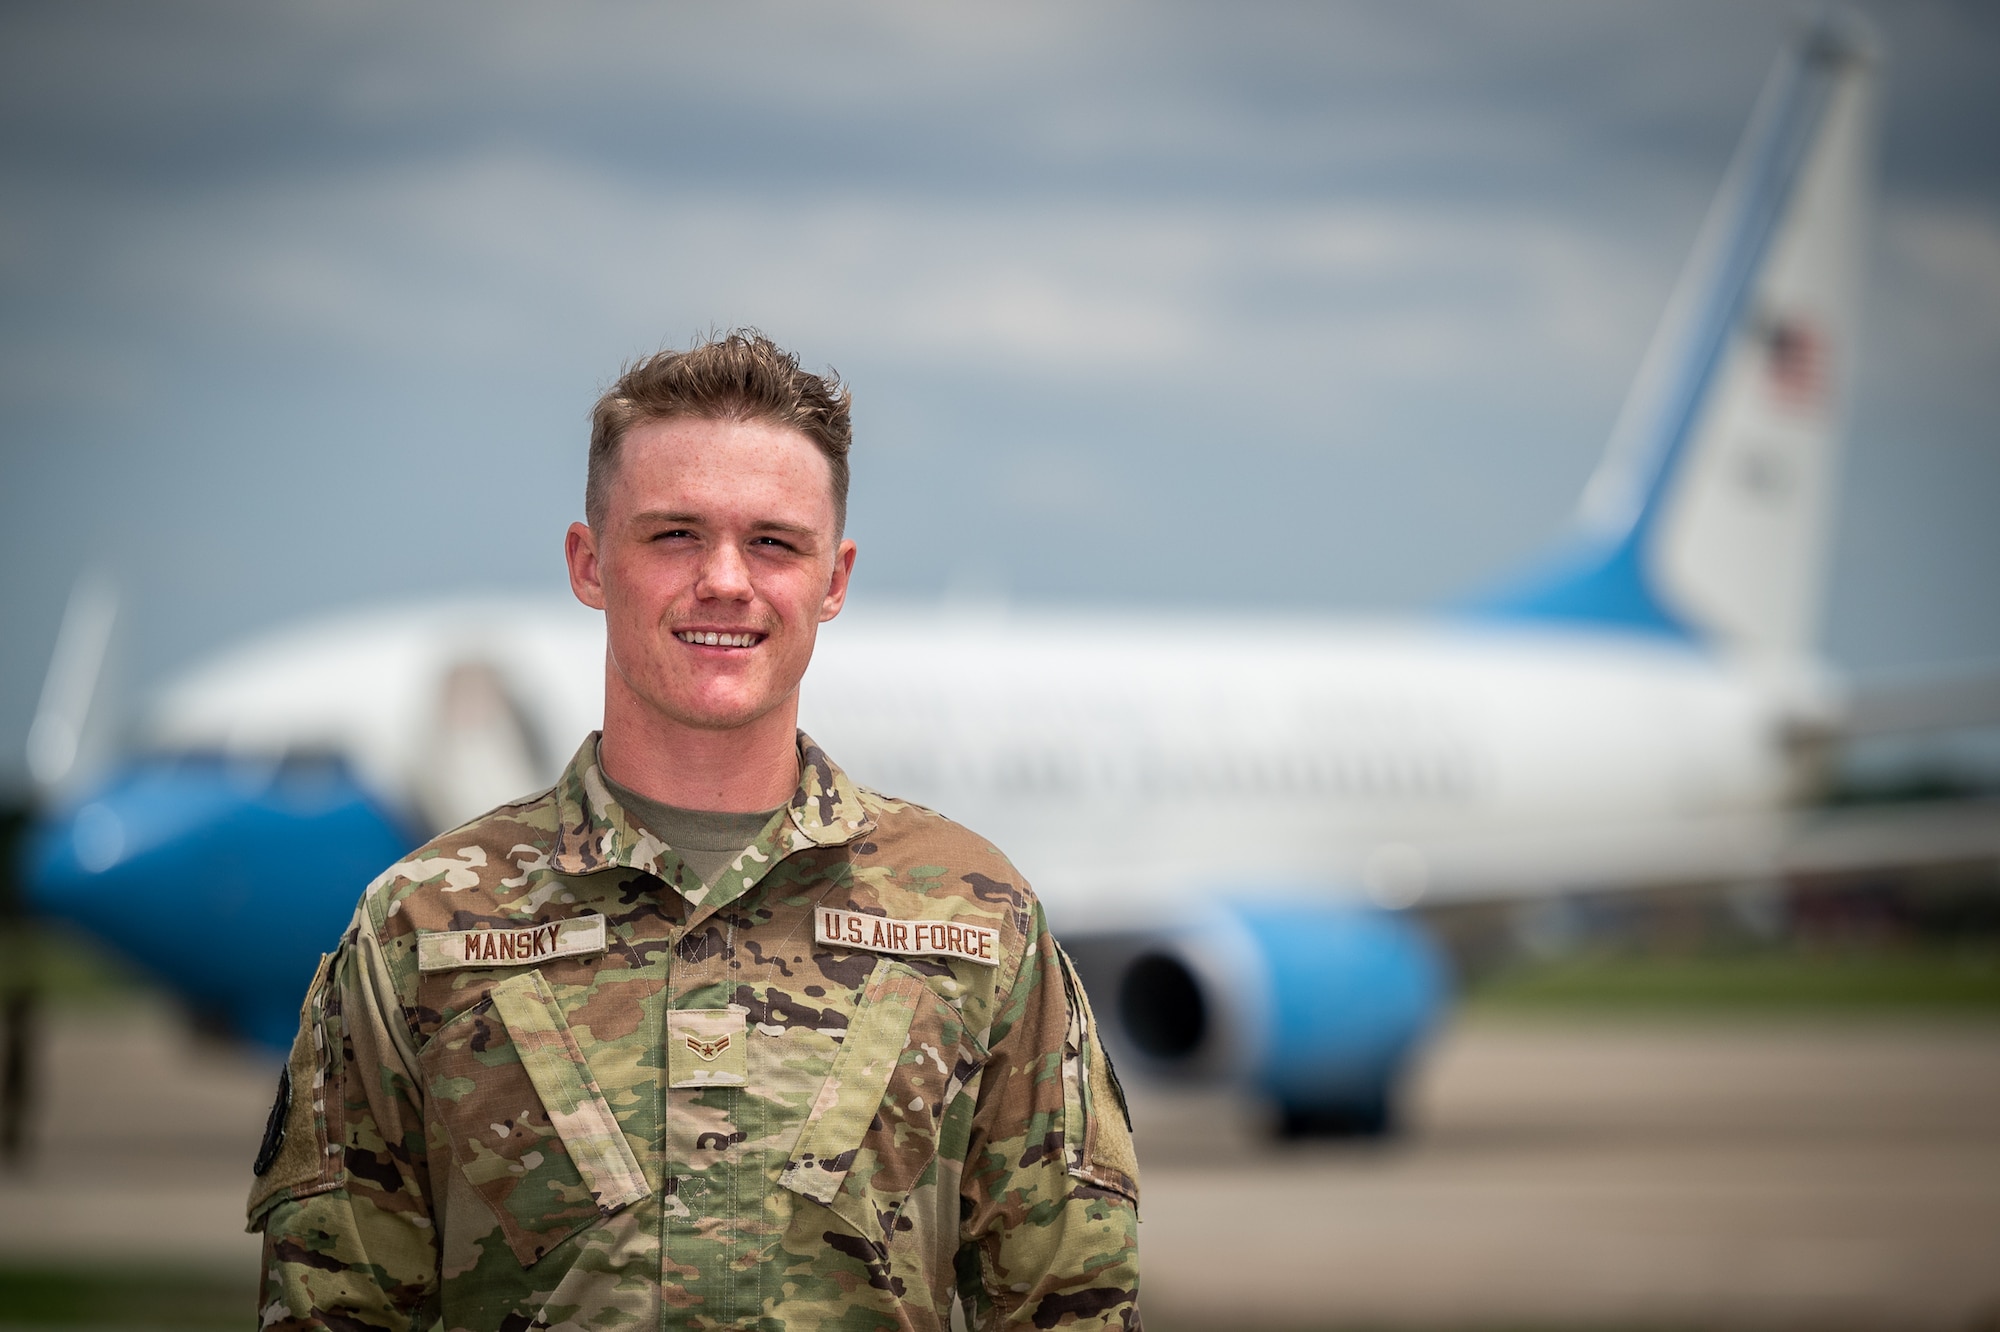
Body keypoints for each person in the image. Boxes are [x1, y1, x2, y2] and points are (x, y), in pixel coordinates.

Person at [247, 331, 1141, 1331]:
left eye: (773, 542)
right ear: (590, 564)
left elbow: (1070, 1304)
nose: (725, 580)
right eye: (673, 535)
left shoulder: (976, 917)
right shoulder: (424, 925)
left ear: (833, 580)